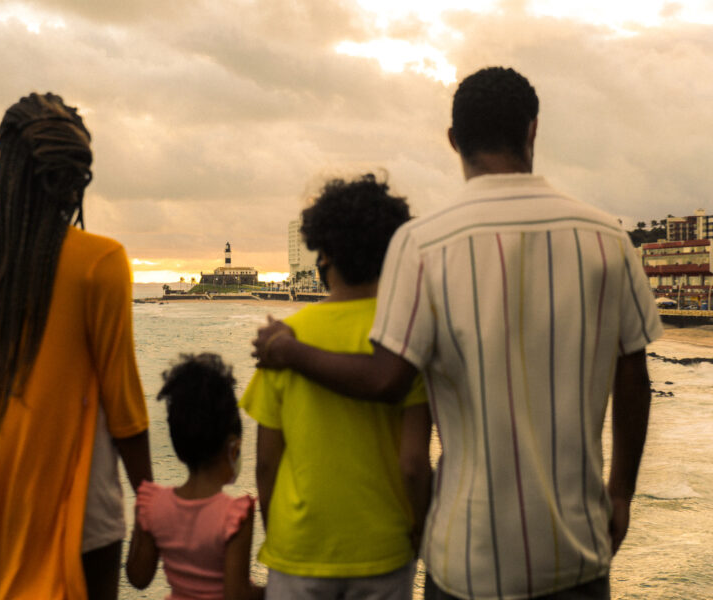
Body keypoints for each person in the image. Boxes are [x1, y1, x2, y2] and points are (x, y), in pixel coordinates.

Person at [253, 67, 662, 599]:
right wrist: (621, 493)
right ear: (532, 130)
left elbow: (386, 380)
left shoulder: (422, 245)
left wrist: (291, 352)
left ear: (453, 141)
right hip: (577, 548)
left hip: (467, 556)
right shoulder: (608, 239)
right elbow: (634, 378)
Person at [0, 93, 151, 600]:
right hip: (79, 514)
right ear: (75, 178)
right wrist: (151, 508)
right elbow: (125, 411)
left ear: (7, 168)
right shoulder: (101, 262)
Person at [240, 174, 432, 599]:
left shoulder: (282, 341)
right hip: (384, 545)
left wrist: (280, 536)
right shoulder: (406, 340)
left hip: (298, 546)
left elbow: (266, 465)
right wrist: (418, 530)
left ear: (323, 253)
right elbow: (415, 463)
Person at [126, 353, 264, 600]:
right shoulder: (236, 516)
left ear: (178, 447)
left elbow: (138, 577)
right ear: (233, 447)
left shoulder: (151, 504)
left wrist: (142, 517)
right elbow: (237, 595)